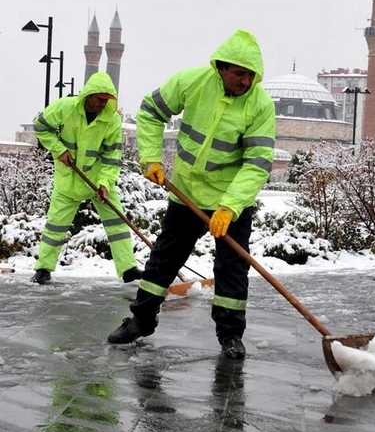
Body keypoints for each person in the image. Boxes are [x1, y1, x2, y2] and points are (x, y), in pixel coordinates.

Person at [108, 29, 276, 359]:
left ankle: (230, 334)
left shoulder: (260, 106)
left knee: (232, 269)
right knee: (163, 260)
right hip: (185, 193)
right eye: (239, 74)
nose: (245, 82)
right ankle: (141, 320)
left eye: (250, 76)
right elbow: (150, 111)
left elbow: (257, 164)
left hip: (230, 202)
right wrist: (150, 157)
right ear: (221, 68)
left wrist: (229, 207)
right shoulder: (193, 82)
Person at [31, 71, 142, 285]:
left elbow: (112, 156)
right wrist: (58, 149)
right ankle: (43, 269)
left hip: (97, 180)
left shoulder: (112, 119)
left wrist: (105, 184)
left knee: (117, 222)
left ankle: (128, 269)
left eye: (107, 101)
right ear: (89, 95)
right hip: (68, 180)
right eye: (100, 100)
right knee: (55, 225)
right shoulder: (65, 107)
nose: (103, 105)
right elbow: (40, 126)